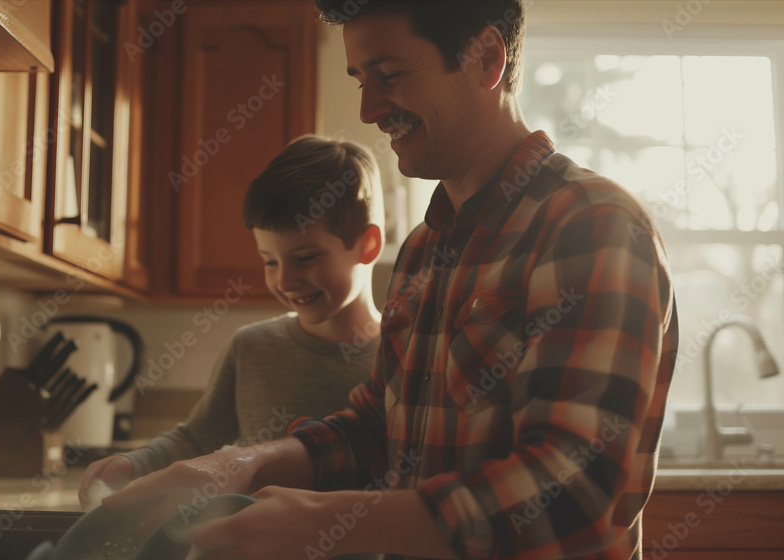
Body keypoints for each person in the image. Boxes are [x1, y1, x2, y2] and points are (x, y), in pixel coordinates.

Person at [102, 2, 679, 560]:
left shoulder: (592, 225)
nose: (369, 109)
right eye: (359, 79)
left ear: (485, 58)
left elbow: (572, 492)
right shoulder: (424, 249)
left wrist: (326, 522)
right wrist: (242, 463)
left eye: (391, 74)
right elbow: (380, 425)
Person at [78, 135, 387, 512]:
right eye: (270, 261)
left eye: (305, 258)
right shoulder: (252, 346)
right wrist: (132, 462)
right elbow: (197, 438)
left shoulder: (400, 356)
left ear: (368, 245)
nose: (285, 281)